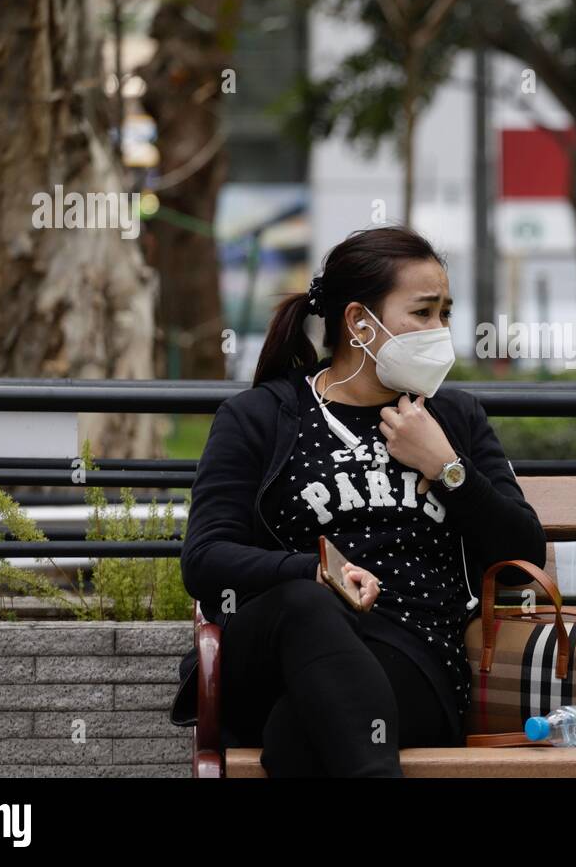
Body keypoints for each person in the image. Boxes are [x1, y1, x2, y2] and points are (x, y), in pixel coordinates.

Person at [176, 224, 546, 776]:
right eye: (422, 313)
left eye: (445, 313)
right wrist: (315, 572)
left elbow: (523, 558)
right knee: (307, 604)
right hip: (274, 649)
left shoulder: (453, 420)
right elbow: (205, 562)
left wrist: (447, 468)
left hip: (413, 659)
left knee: (300, 733)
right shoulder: (258, 418)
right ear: (358, 323)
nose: (439, 330)